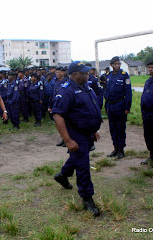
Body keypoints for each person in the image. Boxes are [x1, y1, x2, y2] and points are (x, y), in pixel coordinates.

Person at [52, 61, 102, 217]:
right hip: (76, 134)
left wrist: (94, 130)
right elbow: (57, 115)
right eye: (84, 73)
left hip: (87, 133)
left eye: (88, 72)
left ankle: (62, 175)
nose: (88, 75)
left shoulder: (86, 87)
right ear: (74, 74)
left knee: (78, 158)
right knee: (83, 166)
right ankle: (87, 198)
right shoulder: (66, 91)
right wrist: (67, 140)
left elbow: (90, 109)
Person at [105, 56, 132, 159]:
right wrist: (106, 106)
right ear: (112, 65)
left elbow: (128, 93)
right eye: (115, 64)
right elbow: (106, 92)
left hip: (120, 105)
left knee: (120, 128)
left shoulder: (124, 75)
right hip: (111, 106)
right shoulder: (109, 75)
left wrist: (127, 107)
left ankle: (121, 149)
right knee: (112, 129)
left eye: (119, 64)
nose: (117, 66)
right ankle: (115, 148)